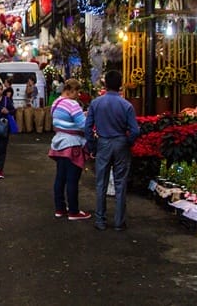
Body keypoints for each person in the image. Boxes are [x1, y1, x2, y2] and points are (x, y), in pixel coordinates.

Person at [83, 70, 140, 231]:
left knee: (101, 182)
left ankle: (100, 220)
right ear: (120, 84)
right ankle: (119, 222)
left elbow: (88, 128)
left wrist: (93, 146)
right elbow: (135, 131)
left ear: (105, 84)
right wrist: (127, 142)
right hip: (121, 143)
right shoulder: (126, 105)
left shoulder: (96, 103)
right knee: (120, 183)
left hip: (103, 143)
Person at [48, 79, 91, 221]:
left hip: (58, 144)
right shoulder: (73, 104)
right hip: (72, 144)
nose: (78, 95)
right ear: (70, 90)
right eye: (77, 92)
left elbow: (60, 120)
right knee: (72, 179)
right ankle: (73, 211)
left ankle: (59, 208)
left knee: (60, 178)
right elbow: (83, 125)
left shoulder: (56, 102)